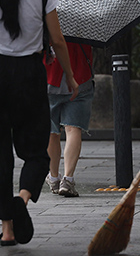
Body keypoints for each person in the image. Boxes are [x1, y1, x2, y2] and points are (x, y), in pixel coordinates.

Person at [0, 0, 79, 246]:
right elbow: (57, 39)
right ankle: (22, 198)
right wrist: (70, 75)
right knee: (36, 152)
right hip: (30, 74)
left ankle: (7, 231)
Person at [45, 42, 94, 198]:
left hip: (49, 76)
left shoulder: (45, 19)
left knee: (52, 131)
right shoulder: (83, 19)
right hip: (80, 77)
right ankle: (68, 179)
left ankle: (53, 177)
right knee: (73, 129)